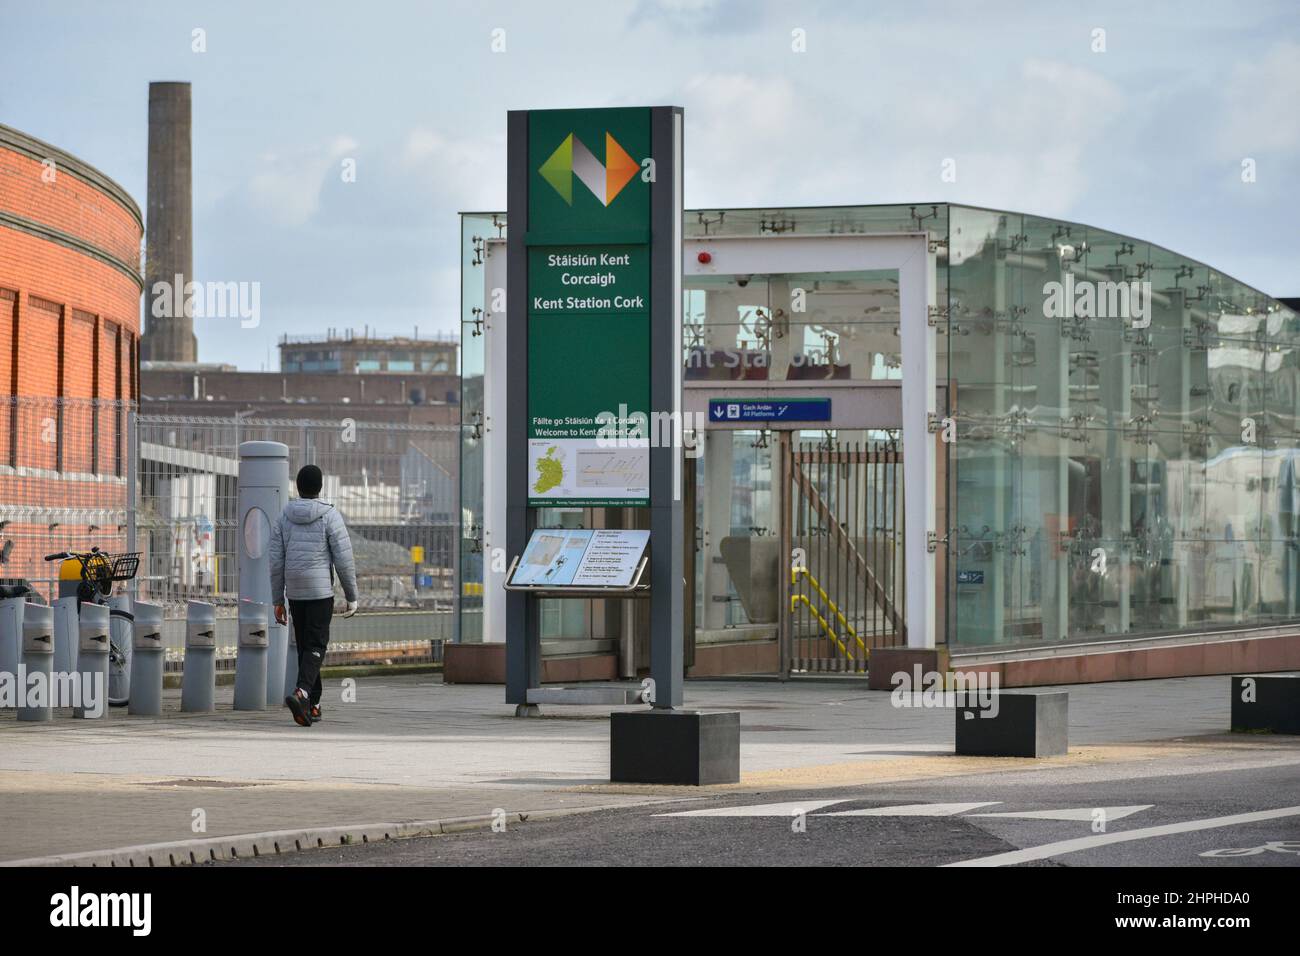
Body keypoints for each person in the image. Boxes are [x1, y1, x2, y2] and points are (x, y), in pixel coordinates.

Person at [269, 464, 358, 727]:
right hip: (320, 591)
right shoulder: (330, 516)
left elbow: (275, 561)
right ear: (320, 487)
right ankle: (302, 692)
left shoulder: (284, 516)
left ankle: (312, 705)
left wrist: (277, 599)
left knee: (306, 646)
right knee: (316, 645)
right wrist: (352, 595)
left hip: (295, 591)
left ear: (298, 487)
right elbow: (344, 560)